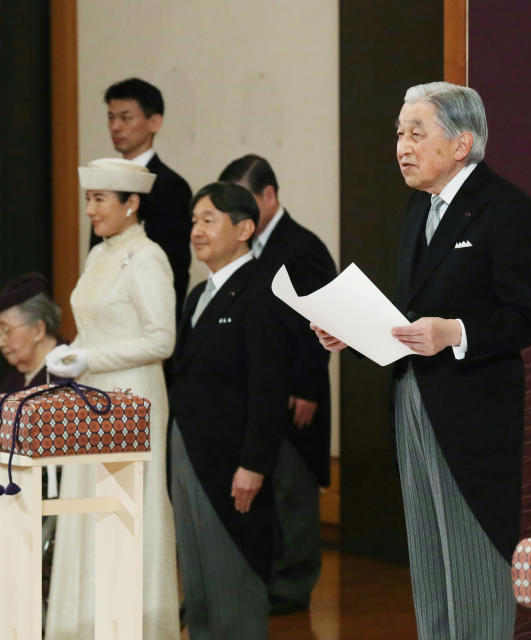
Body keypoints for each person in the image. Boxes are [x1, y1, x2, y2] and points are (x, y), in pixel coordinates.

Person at [314, 81, 531, 639]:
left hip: (473, 409)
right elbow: (412, 309)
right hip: (412, 394)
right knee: (426, 550)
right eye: (399, 133)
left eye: (417, 133)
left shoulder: (507, 208)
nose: (402, 146)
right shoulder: (419, 208)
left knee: (472, 553)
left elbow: (525, 317)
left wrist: (455, 333)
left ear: (462, 142)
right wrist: (354, 328)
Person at [44, 158, 179, 639]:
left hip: (132, 399)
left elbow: (162, 340)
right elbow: (96, 329)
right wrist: (71, 353)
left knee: (123, 508)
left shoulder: (148, 258)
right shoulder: (98, 256)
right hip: (92, 397)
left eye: (100, 199)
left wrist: (89, 359)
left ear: (131, 204)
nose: (90, 210)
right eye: (88, 198)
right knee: (88, 505)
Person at [168, 182, 287, 639]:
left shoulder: (261, 291)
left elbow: (269, 388)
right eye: (194, 221)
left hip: (232, 463)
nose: (196, 231)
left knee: (232, 580)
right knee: (197, 582)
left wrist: (254, 464)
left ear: (244, 228)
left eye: (208, 220)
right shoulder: (198, 295)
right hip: (189, 453)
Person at [219, 154, 337, 613]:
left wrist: (308, 386)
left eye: (244, 199)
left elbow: (322, 319)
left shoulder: (300, 246)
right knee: (268, 487)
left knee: (293, 487)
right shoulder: (250, 246)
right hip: (261, 392)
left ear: (269, 195)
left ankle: (294, 583)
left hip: (295, 391)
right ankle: (268, 576)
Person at [91, 78, 193, 318]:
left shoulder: (171, 186)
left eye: (126, 118)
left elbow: (174, 268)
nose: (115, 127)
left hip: (145, 317)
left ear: (154, 122)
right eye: (110, 117)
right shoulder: (104, 181)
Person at [0, 273, 65, 393]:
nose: (1, 342)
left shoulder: (67, 372)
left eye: (6, 330)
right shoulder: (13, 376)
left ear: (38, 330)